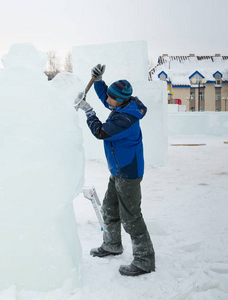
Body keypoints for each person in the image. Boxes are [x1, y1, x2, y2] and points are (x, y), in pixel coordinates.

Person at [75, 64, 155, 277]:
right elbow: (107, 97)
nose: (107, 101)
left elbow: (100, 132)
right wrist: (99, 81)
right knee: (110, 210)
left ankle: (144, 260)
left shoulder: (126, 119)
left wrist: (89, 111)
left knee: (131, 217)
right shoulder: (123, 106)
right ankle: (112, 245)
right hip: (118, 170)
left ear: (119, 100)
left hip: (128, 173)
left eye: (111, 98)